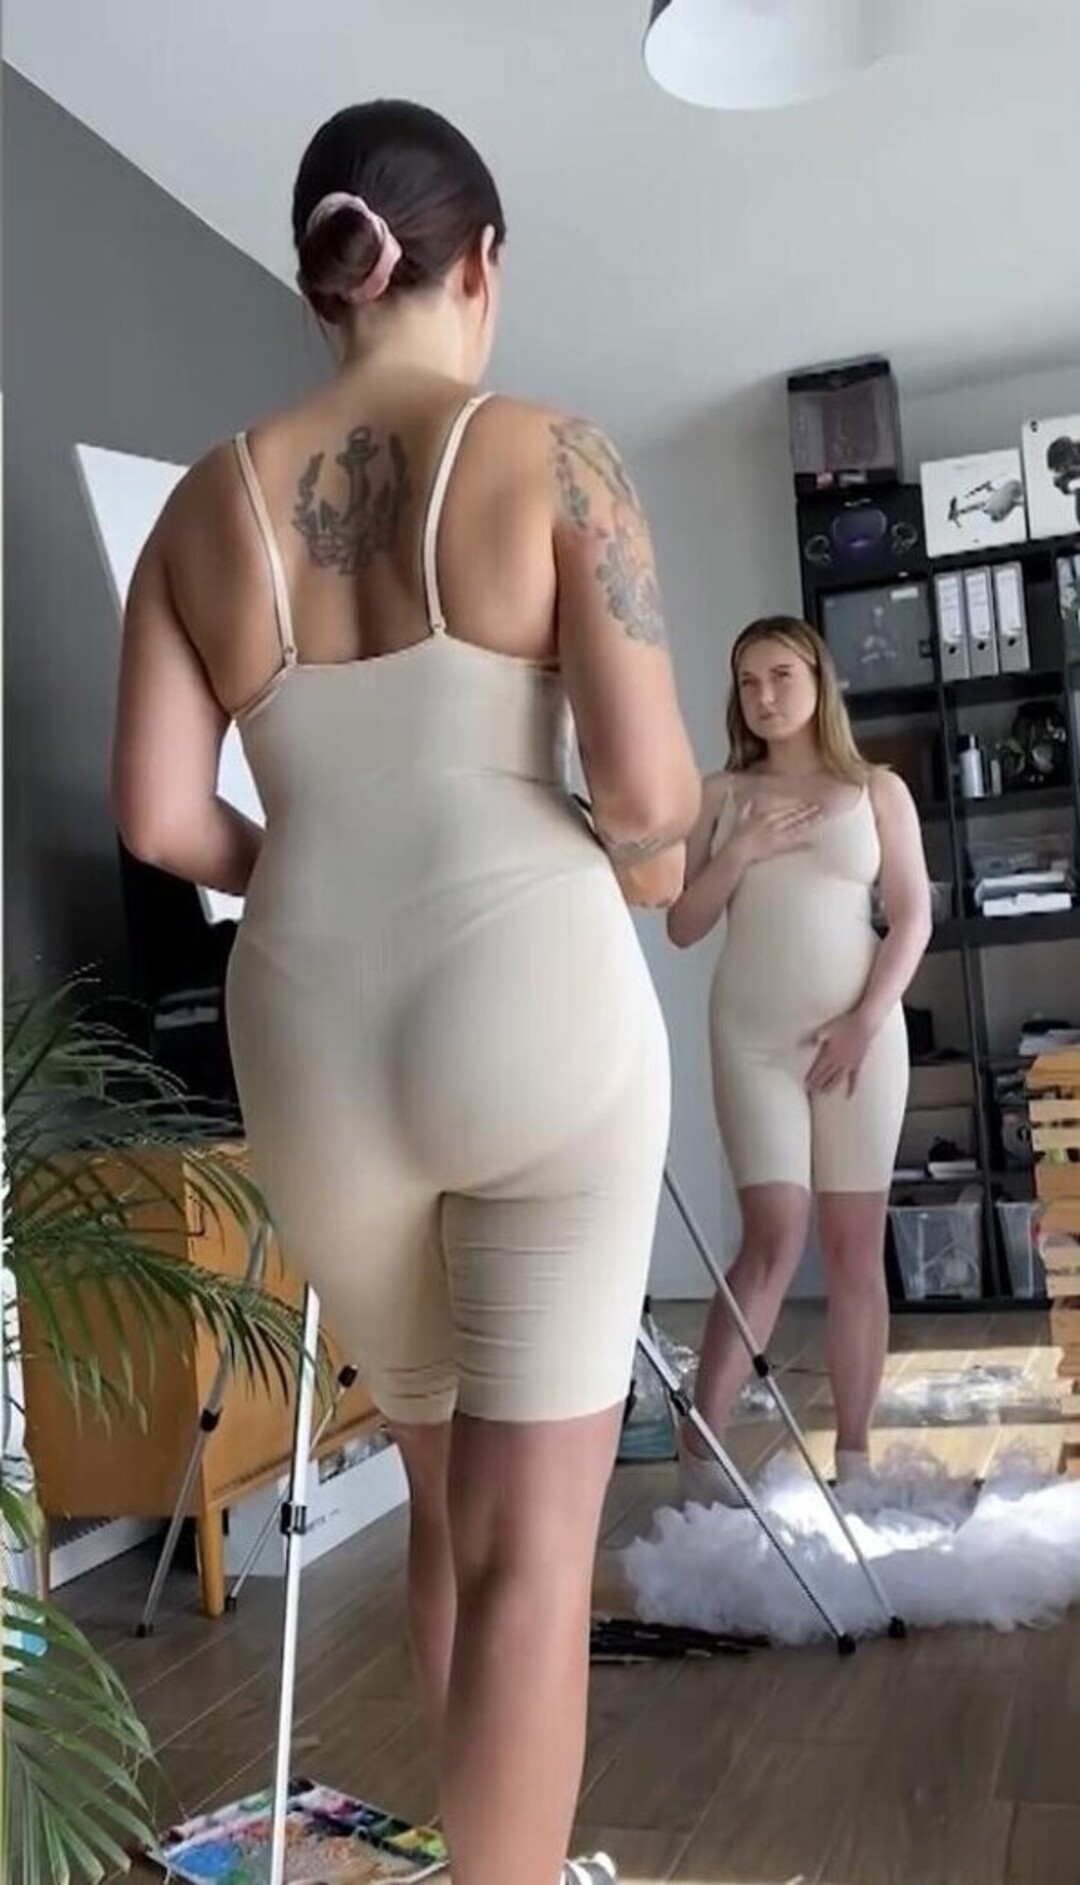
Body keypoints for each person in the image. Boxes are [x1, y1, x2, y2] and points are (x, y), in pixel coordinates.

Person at [112, 99, 700, 1885]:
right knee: (534, 1546)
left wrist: (307, 871)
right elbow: (653, 799)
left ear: (324, 282)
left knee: (447, 1497)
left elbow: (158, 820)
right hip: (529, 996)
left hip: (306, 1027)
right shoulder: (555, 456)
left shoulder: (198, 510)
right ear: (482, 263)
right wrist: (632, 862)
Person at [667, 616, 931, 1499]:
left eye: (781, 675)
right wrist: (743, 847)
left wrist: (865, 1020)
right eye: (748, 681)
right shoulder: (718, 794)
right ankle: (701, 1448)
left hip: (859, 1040)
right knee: (773, 1237)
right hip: (753, 1043)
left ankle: (854, 1457)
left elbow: (912, 917)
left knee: (854, 1249)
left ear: (820, 680)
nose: (765, 695)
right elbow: (683, 923)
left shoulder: (877, 790)